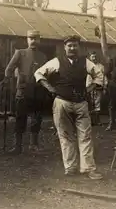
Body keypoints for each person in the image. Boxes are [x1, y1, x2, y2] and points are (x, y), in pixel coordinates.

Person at [34, 35, 104, 180]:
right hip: (62, 102)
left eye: (75, 45)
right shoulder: (57, 61)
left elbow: (99, 75)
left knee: (85, 136)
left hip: (81, 103)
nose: (72, 48)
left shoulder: (86, 62)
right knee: (66, 136)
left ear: (79, 47)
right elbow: (39, 73)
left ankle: (88, 168)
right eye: (69, 45)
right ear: (65, 47)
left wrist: (90, 88)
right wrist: (50, 88)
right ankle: (70, 168)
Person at [3, 30, 48, 155]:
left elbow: (47, 73)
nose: (33, 41)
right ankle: (18, 146)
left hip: (38, 91)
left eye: (36, 38)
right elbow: (9, 70)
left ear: (39, 40)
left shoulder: (43, 56)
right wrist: (10, 82)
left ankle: (33, 145)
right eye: (31, 38)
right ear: (27, 39)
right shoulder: (20, 53)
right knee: (20, 117)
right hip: (23, 91)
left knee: (37, 118)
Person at [86, 51, 106, 126]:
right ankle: (90, 121)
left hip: (98, 87)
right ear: (90, 57)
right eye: (92, 57)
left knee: (97, 103)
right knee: (90, 103)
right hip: (89, 87)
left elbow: (104, 77)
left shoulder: (101, 66)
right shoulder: (86, 66)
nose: (94, 58)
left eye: (95, 56)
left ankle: (97, 120)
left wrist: (104, 87)